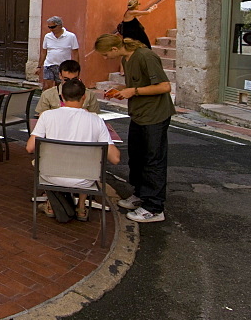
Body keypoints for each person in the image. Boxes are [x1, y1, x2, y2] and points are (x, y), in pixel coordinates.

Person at [95, 34, 175, 224]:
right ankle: (141, 194)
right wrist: (121, 89)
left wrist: (134, 91)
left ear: (114, 49)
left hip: (154, 116)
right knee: (137, 157)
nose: (105, 58)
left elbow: (164, 86)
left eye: (106, 54)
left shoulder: (145, 56)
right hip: (139, 115)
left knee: (153, 160)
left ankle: (154, 207)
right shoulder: (127, 58)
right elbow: (137, 84)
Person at [27, 78, 120, 221]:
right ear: (84, 96)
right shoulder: (96, 121)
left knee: (40, 161)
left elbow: (30, 148)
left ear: (62, 97)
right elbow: (115, 158)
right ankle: (81, 207)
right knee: (88, 160)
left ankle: (51, 204)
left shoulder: (47, 116)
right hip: (84, 180)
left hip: (50, 176)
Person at [36, 59, 100, 115]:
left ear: (79, 76)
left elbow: (94, 116)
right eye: (66, 79)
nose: (70, 83)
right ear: (60, 76)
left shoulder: (89, 94)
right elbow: (42, 116)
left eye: (74, 79)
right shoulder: (48, 95)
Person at [36, 16, 79, 90]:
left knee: (60, 87)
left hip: (63, 66)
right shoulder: (47, 36)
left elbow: (75, 53)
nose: (51, 29)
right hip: (49, 65)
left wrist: (76, 68)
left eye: (53, 27)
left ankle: (58, 101)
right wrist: (39, 66)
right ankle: (46, 100)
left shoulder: (71, 36)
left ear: (60, 25)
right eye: (49, 27)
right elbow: (44, 52)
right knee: (47, 86)